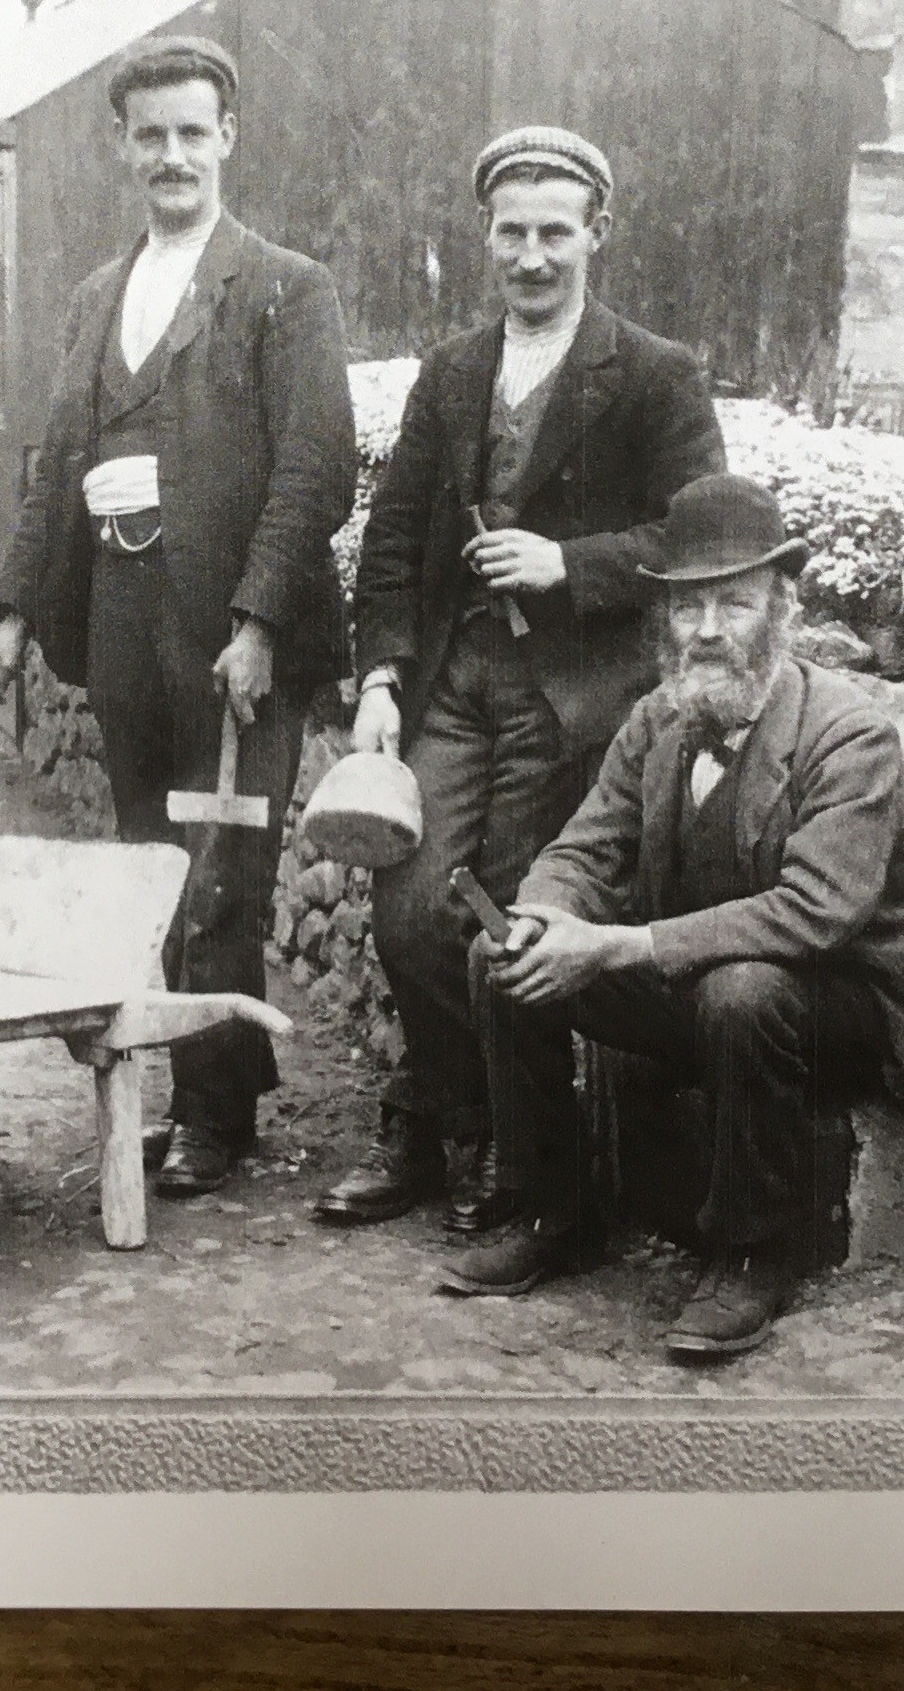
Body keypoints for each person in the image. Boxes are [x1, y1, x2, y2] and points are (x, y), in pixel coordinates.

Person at [0, 32, 355, 1196]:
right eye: (151, 136)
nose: (172, 156)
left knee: (222, 870)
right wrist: (11, 614)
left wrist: (259, 622)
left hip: (234, 634)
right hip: (124, 621)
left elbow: (315, 466)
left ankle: (219, 1116)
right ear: (122, 148)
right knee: (145, 870)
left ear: (226, 137)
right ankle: (182, 1082)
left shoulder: (284, 286)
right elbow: (54, 470)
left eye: (193, 132)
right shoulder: (97, 295)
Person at [317, 125, 724, 1234]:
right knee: (407, 914)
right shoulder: (452, 373)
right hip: (455, 678)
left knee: (505, 915)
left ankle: (510, 1153)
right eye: (512, 232)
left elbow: (702, 539)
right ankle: (453, 1123)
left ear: (596, 233)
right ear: (485, 238)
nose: (532, 256)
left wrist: (570, 564)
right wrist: (382, 683)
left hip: (575, 691)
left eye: (555, 231)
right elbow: (394, 537)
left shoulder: (653, 370)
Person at [451, 474, 904, 1363]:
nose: (710, 630)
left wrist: (620, 946)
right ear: (665, 621)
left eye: (737, 603)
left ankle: (754, 1253)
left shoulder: (851, 734)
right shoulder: (659, 719)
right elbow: (583, 853)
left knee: (745, 991)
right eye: (689, 609)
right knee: (503, 958)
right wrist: (541, 917)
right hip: (699, 979)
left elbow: (815, 915)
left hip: (838, 1002)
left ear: (782, 610)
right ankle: (549, 1210)